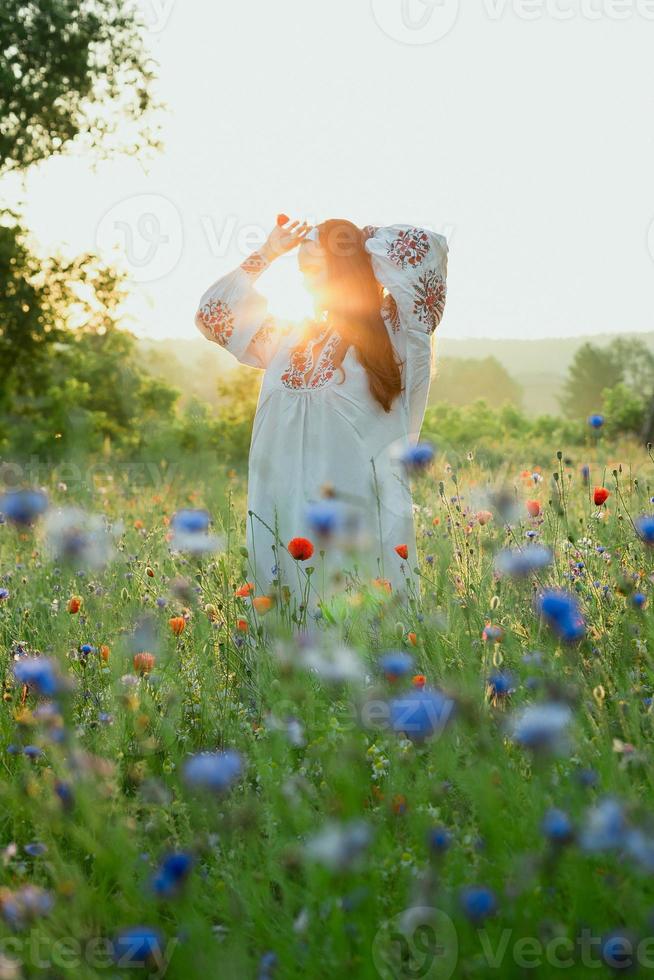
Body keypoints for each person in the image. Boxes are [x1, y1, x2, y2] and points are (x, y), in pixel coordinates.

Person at [195, 217, 448, 610]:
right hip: (281, 516)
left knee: (356, 629)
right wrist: (268, 252)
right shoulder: (286, 337)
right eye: (301, 271)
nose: (304, 281)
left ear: (344, 269)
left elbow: (428, 250)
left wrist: (360, 239)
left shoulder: (395, 334)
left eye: (313, 269)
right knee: (288, 627)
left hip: (355, 524)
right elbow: (213, 313)